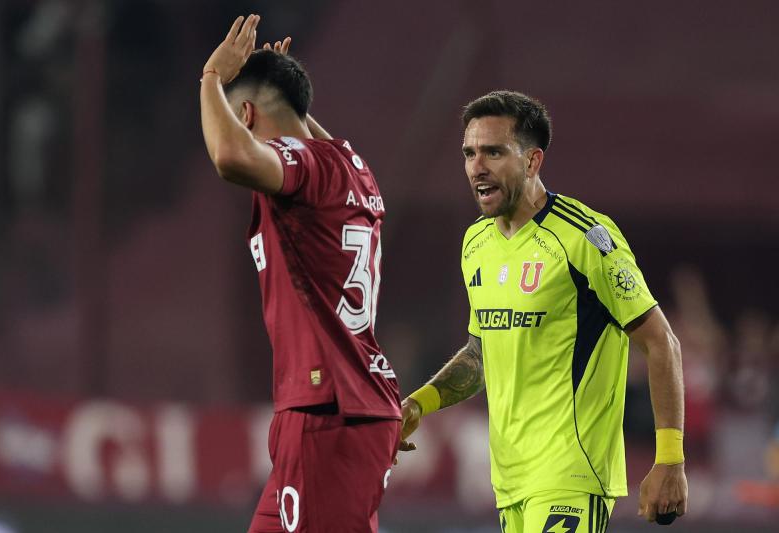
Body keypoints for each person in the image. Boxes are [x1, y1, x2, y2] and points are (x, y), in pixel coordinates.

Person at [399, 90, 688, 532]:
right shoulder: (476, 244)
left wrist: (669, 459)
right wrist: (419, 404)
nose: (478, 166)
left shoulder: (584, 238)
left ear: (533, 162)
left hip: (570, 475)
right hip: (509, 482)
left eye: (494, 152)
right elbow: (482, 355)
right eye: (470, 153)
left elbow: (661, 341)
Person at [200, 15, 400, 532]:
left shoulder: (300, 166)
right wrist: (285, 86)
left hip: (325, 408)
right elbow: (308, 138)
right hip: (345, 405)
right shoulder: (353, 167)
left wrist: (210, 80)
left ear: (244, 113)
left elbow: (228, 156)